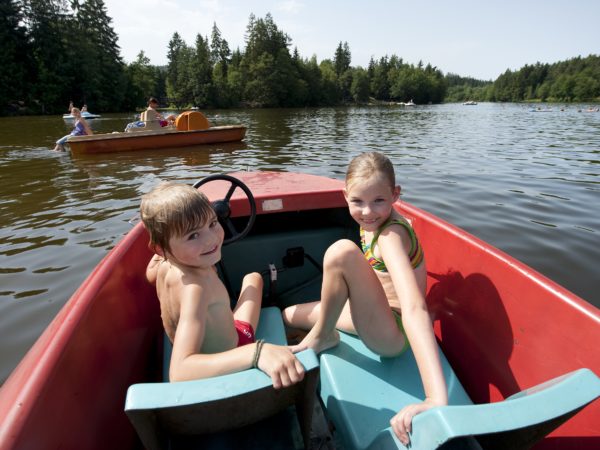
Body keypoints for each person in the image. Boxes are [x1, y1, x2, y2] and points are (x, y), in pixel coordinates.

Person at [282, 151, 448, 446]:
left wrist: (435, 397)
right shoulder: (371, 222)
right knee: (288, 314)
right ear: (345, 195)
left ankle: (321, 337)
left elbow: (413, 307)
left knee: (341, 252)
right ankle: (325, 335)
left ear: (395, 195)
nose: (368, 212)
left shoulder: (390, 237)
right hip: (372, 311)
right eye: (357, 202)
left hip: (392, 334)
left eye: (379, 201)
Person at [141, 182, 305, 387]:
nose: (211, 240)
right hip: (233, 349)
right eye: (193, 235)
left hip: (203, 338)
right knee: (254, 278)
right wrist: (257, 352)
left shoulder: (164, 265)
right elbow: (180, 371)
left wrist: (166, 247)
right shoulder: (195, 290)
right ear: (162, 249)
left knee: (251, 279)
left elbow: (150, 274)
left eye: (212, 223)